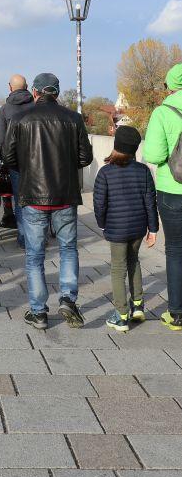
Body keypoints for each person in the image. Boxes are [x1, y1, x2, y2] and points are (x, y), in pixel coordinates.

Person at [2, 72, 93, 330]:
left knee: (34, 256)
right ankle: (68, 298)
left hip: (33, 195)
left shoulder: (20, 118)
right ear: (57, 92)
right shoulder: (73, 119)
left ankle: (39, 312)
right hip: (65, 195)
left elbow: (9, 157)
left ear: (35, 92)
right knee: (68, 249)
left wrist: (29, 169)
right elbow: (85, 158)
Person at [94, 126, 158, 332]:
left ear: (116, 145)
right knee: (134, 261)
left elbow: (99, 204)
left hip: (116, 228)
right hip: (138, 227)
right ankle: (137, 306)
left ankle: (121, 315)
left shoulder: (105, 172)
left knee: (118, 268)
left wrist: (102, 223)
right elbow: (150, 202)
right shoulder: (143, 171)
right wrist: (153, 229)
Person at [144, 62, 182, 330]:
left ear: (170, 85)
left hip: (172, 190)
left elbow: (154, 155)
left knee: (176, 250)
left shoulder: (162, 112)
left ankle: (176, 314)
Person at [0, 74, 34, 247]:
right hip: (36, 160)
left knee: (19, 198)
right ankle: (37, 235)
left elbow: (0, 139)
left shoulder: (5, 110)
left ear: (10, 87)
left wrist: (5, 157)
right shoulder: (35, 107)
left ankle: (23, 237)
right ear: (26, 87)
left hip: (15, 162)